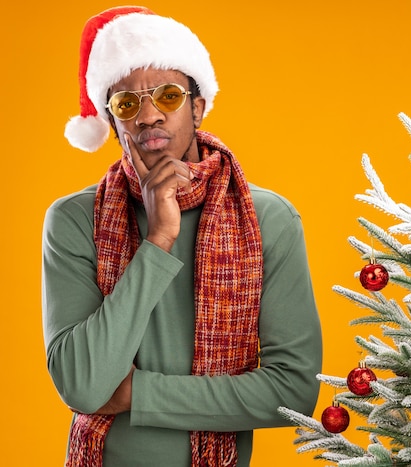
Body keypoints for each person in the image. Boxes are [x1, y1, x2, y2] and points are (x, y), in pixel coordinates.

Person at [42, 6, 322, 467]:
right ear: (113, 122)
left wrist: (139, 394)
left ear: (198, 105)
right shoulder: (73, 220)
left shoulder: (268, 218)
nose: (149, 116)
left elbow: (292, 392)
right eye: (127, 104)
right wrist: (159, 239)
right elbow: (83, 386)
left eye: (168, 96)